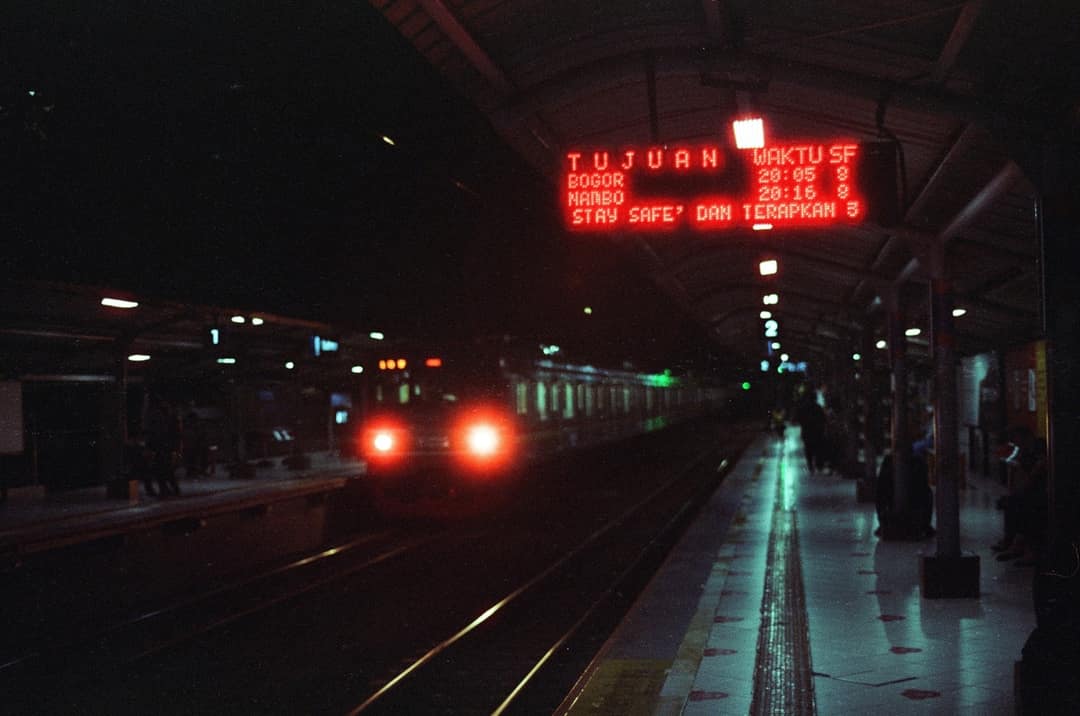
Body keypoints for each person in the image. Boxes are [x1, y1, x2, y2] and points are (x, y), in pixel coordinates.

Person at [992, 426, 1047, 566]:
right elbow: (1020, 471)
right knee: (1012, 502)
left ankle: (1025, 548)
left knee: (1026, 505)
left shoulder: (1039, 446)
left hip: (1043, 488)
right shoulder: (1023, 451)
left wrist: (1025, 485)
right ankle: (1013, 541)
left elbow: (1039, 468)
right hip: (1033, 488)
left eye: (1017, 440)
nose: (1016, 444)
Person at [146, 395, 182, 496]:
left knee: (162, 469)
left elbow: (154, 432)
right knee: (166, 469)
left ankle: (166, 489)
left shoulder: (156, 415)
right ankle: (171, 489)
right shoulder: (169, 415)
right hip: (165, 446)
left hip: (161, 446)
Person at [795, 390, 827, 473]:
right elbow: (823, 419)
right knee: (817, 448)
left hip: (807, 432)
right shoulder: (818, 408)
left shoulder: (804, 408)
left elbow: (799, 418)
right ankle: (818, 465)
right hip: (817, 432)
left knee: (809, 449)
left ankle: (811, 466)